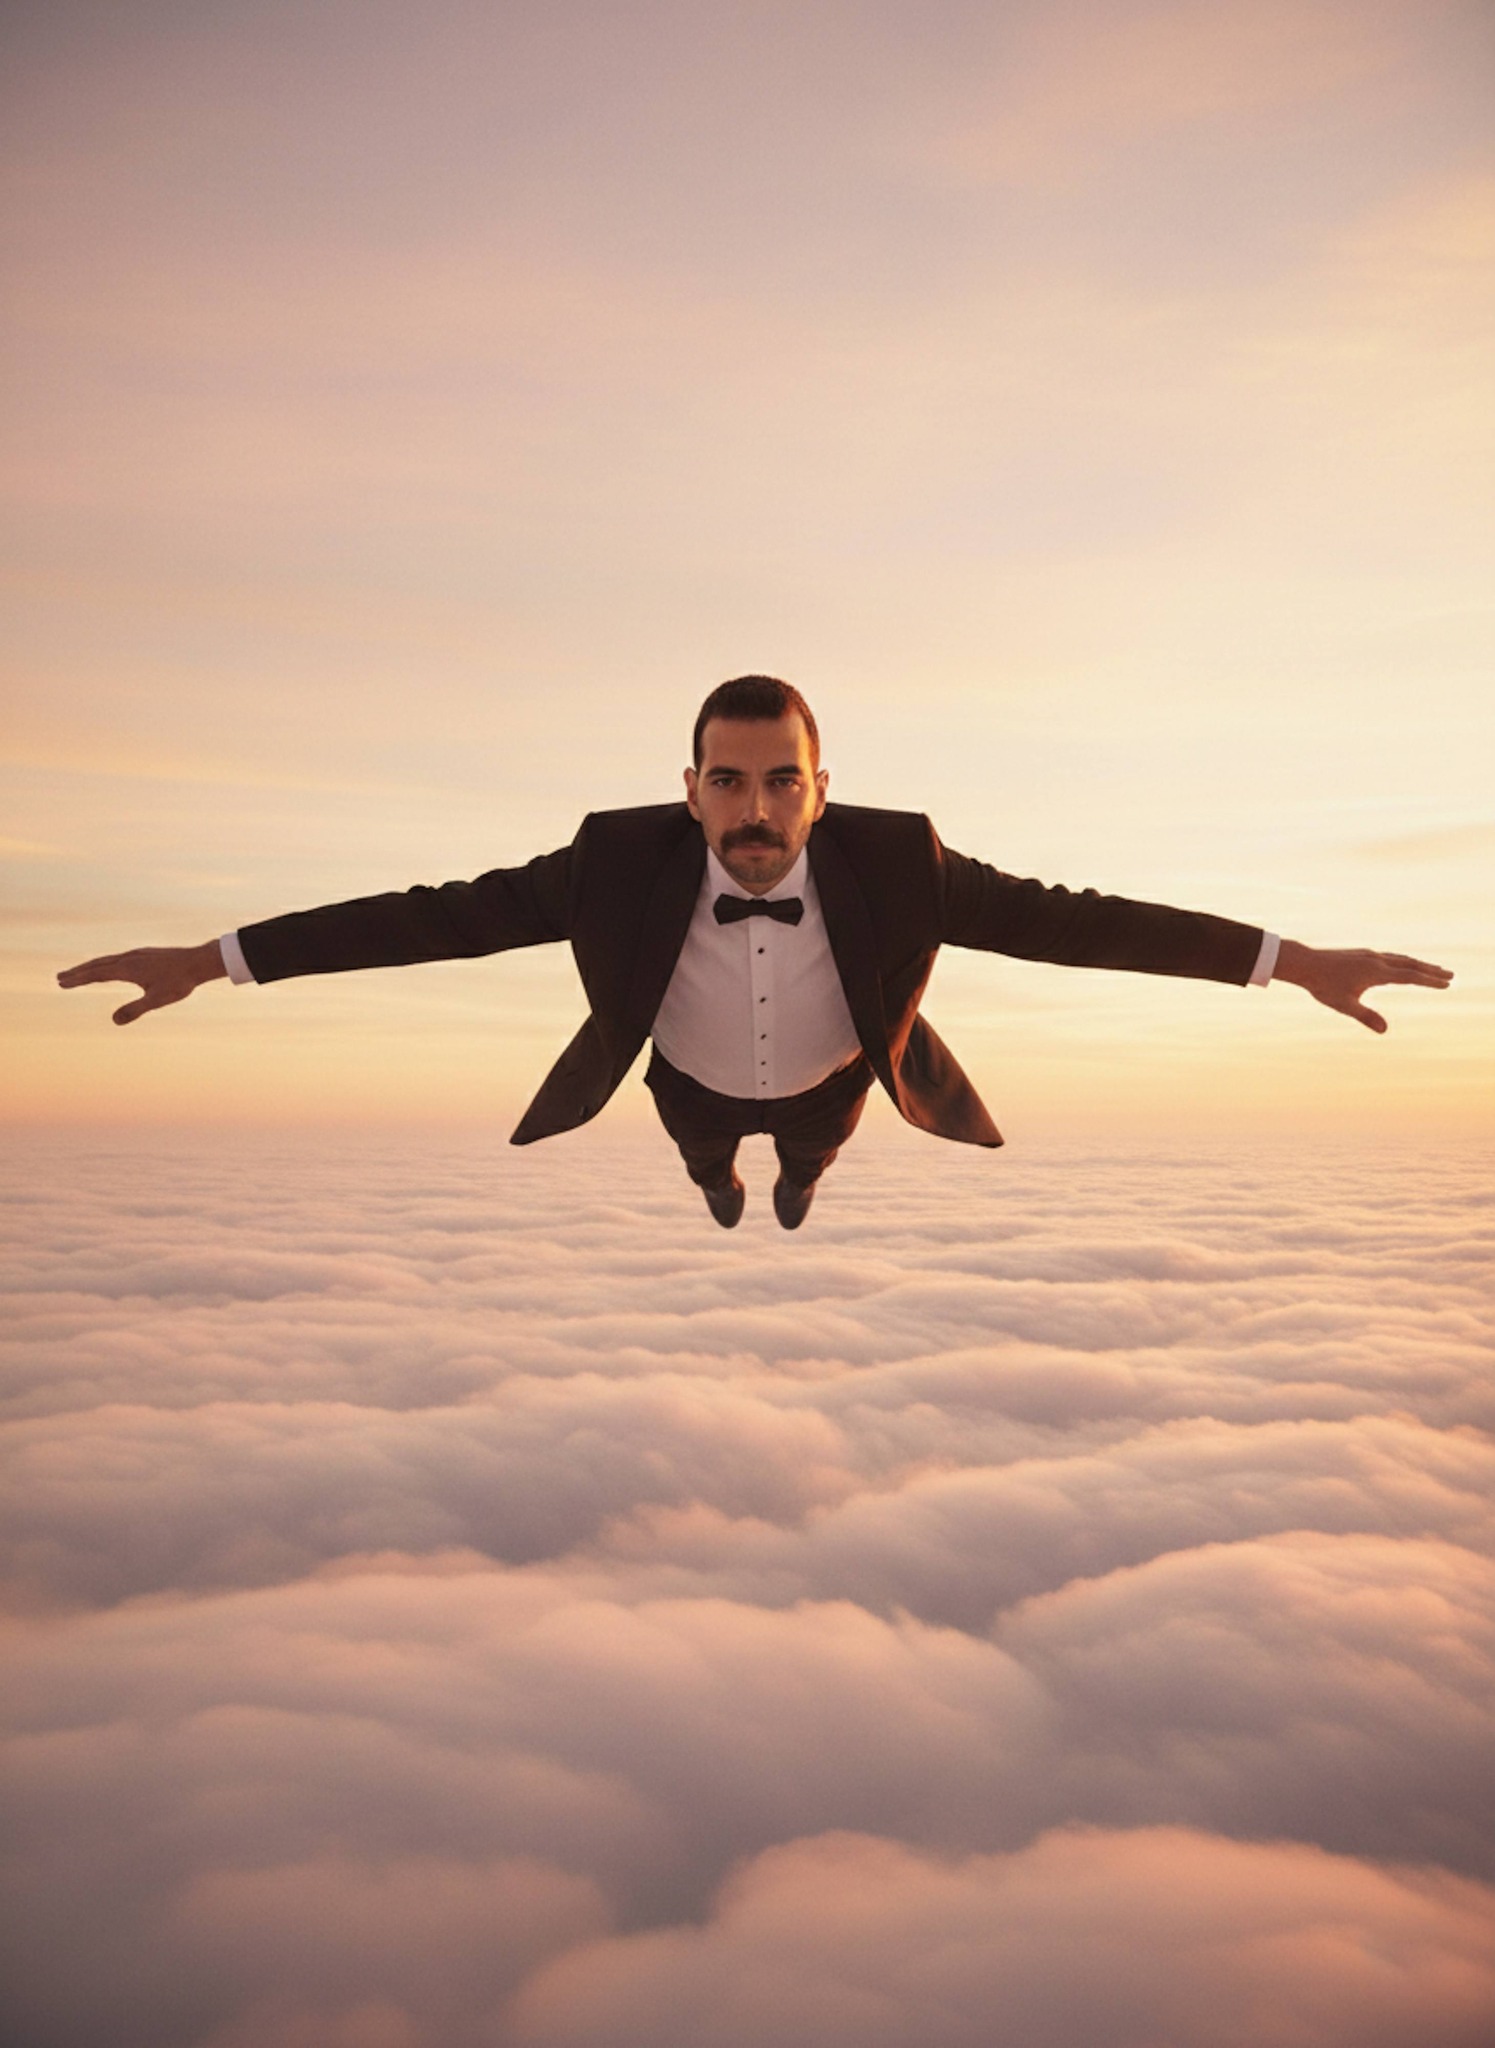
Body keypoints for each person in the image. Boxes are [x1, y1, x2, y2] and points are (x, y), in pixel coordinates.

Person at [58, 676, 1453, 1229]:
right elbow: (432, 917)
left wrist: (1288, 958)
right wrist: (216, 956)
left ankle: (789, 1183)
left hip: (845, 1073)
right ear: (689, 790)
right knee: (706, 1148)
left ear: (821, 788)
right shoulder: (613, 863)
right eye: (727, 784)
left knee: (813, 1151)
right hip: (686, 1076)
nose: (755, 811)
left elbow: (1077, 922)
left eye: (782, 782)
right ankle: (723, 1180)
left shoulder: (903, 863)